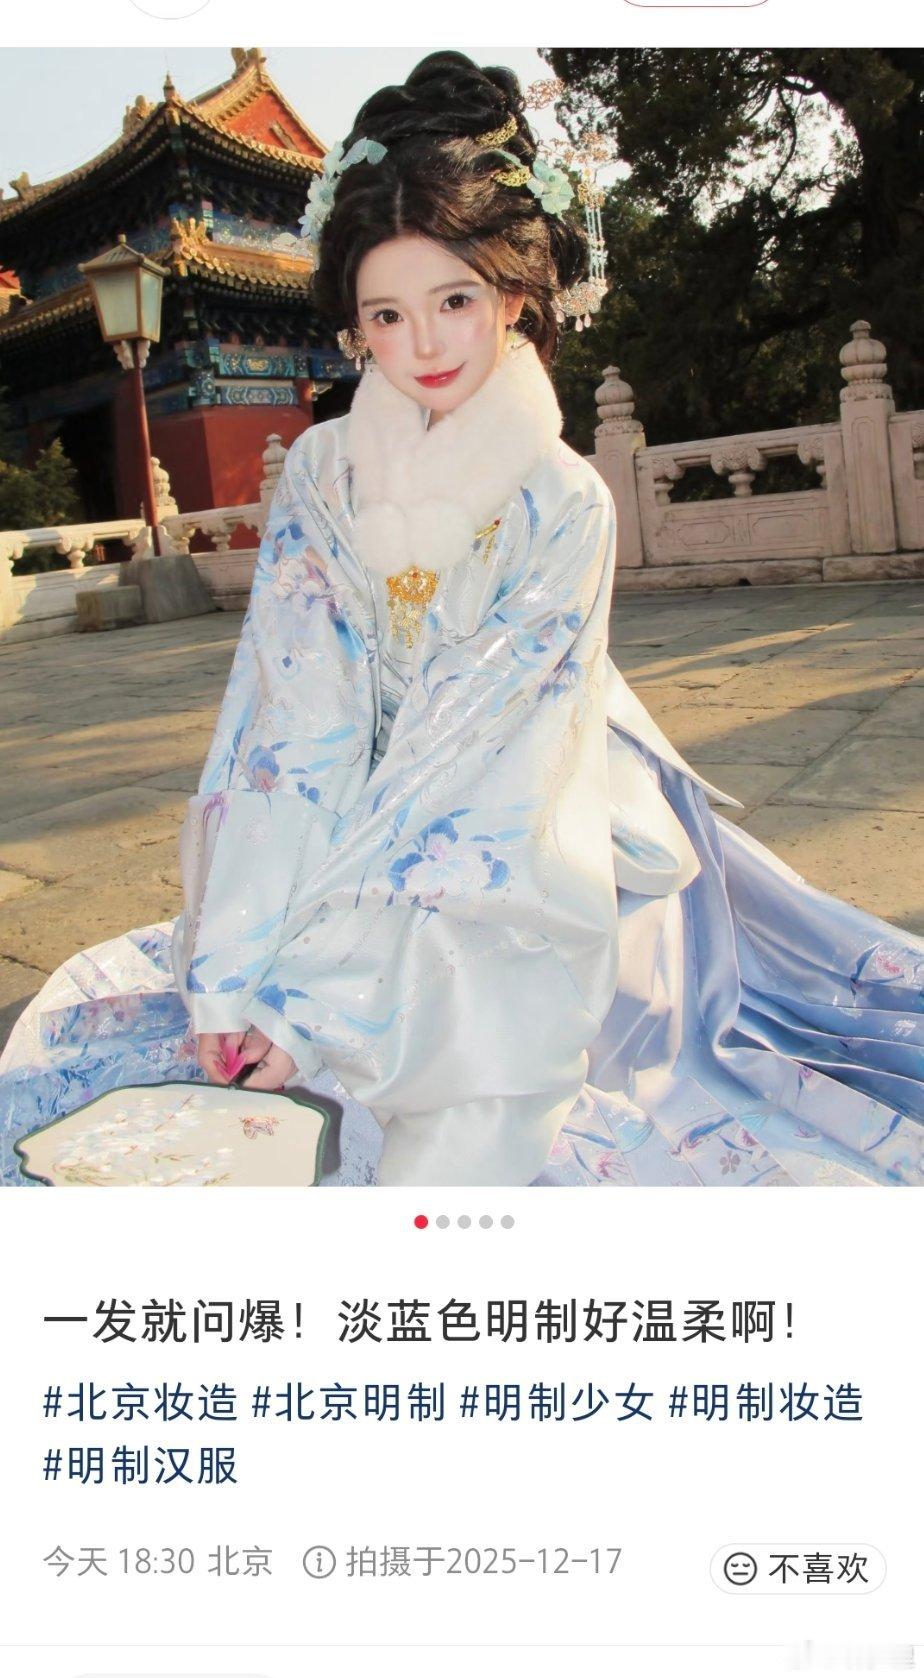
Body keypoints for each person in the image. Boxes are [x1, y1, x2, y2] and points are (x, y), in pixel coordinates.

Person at [1, 51, 922, 1189]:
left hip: (528, 790)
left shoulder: (565, 502)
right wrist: (238, 963)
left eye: (455, 302)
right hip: (368, 788)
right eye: (386, 315)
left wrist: (313, 1000)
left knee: (472, 1034)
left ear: (515, 298)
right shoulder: (324, 473)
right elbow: (292, 717)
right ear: (354, 326)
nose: (426, 346)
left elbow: (478, 762)